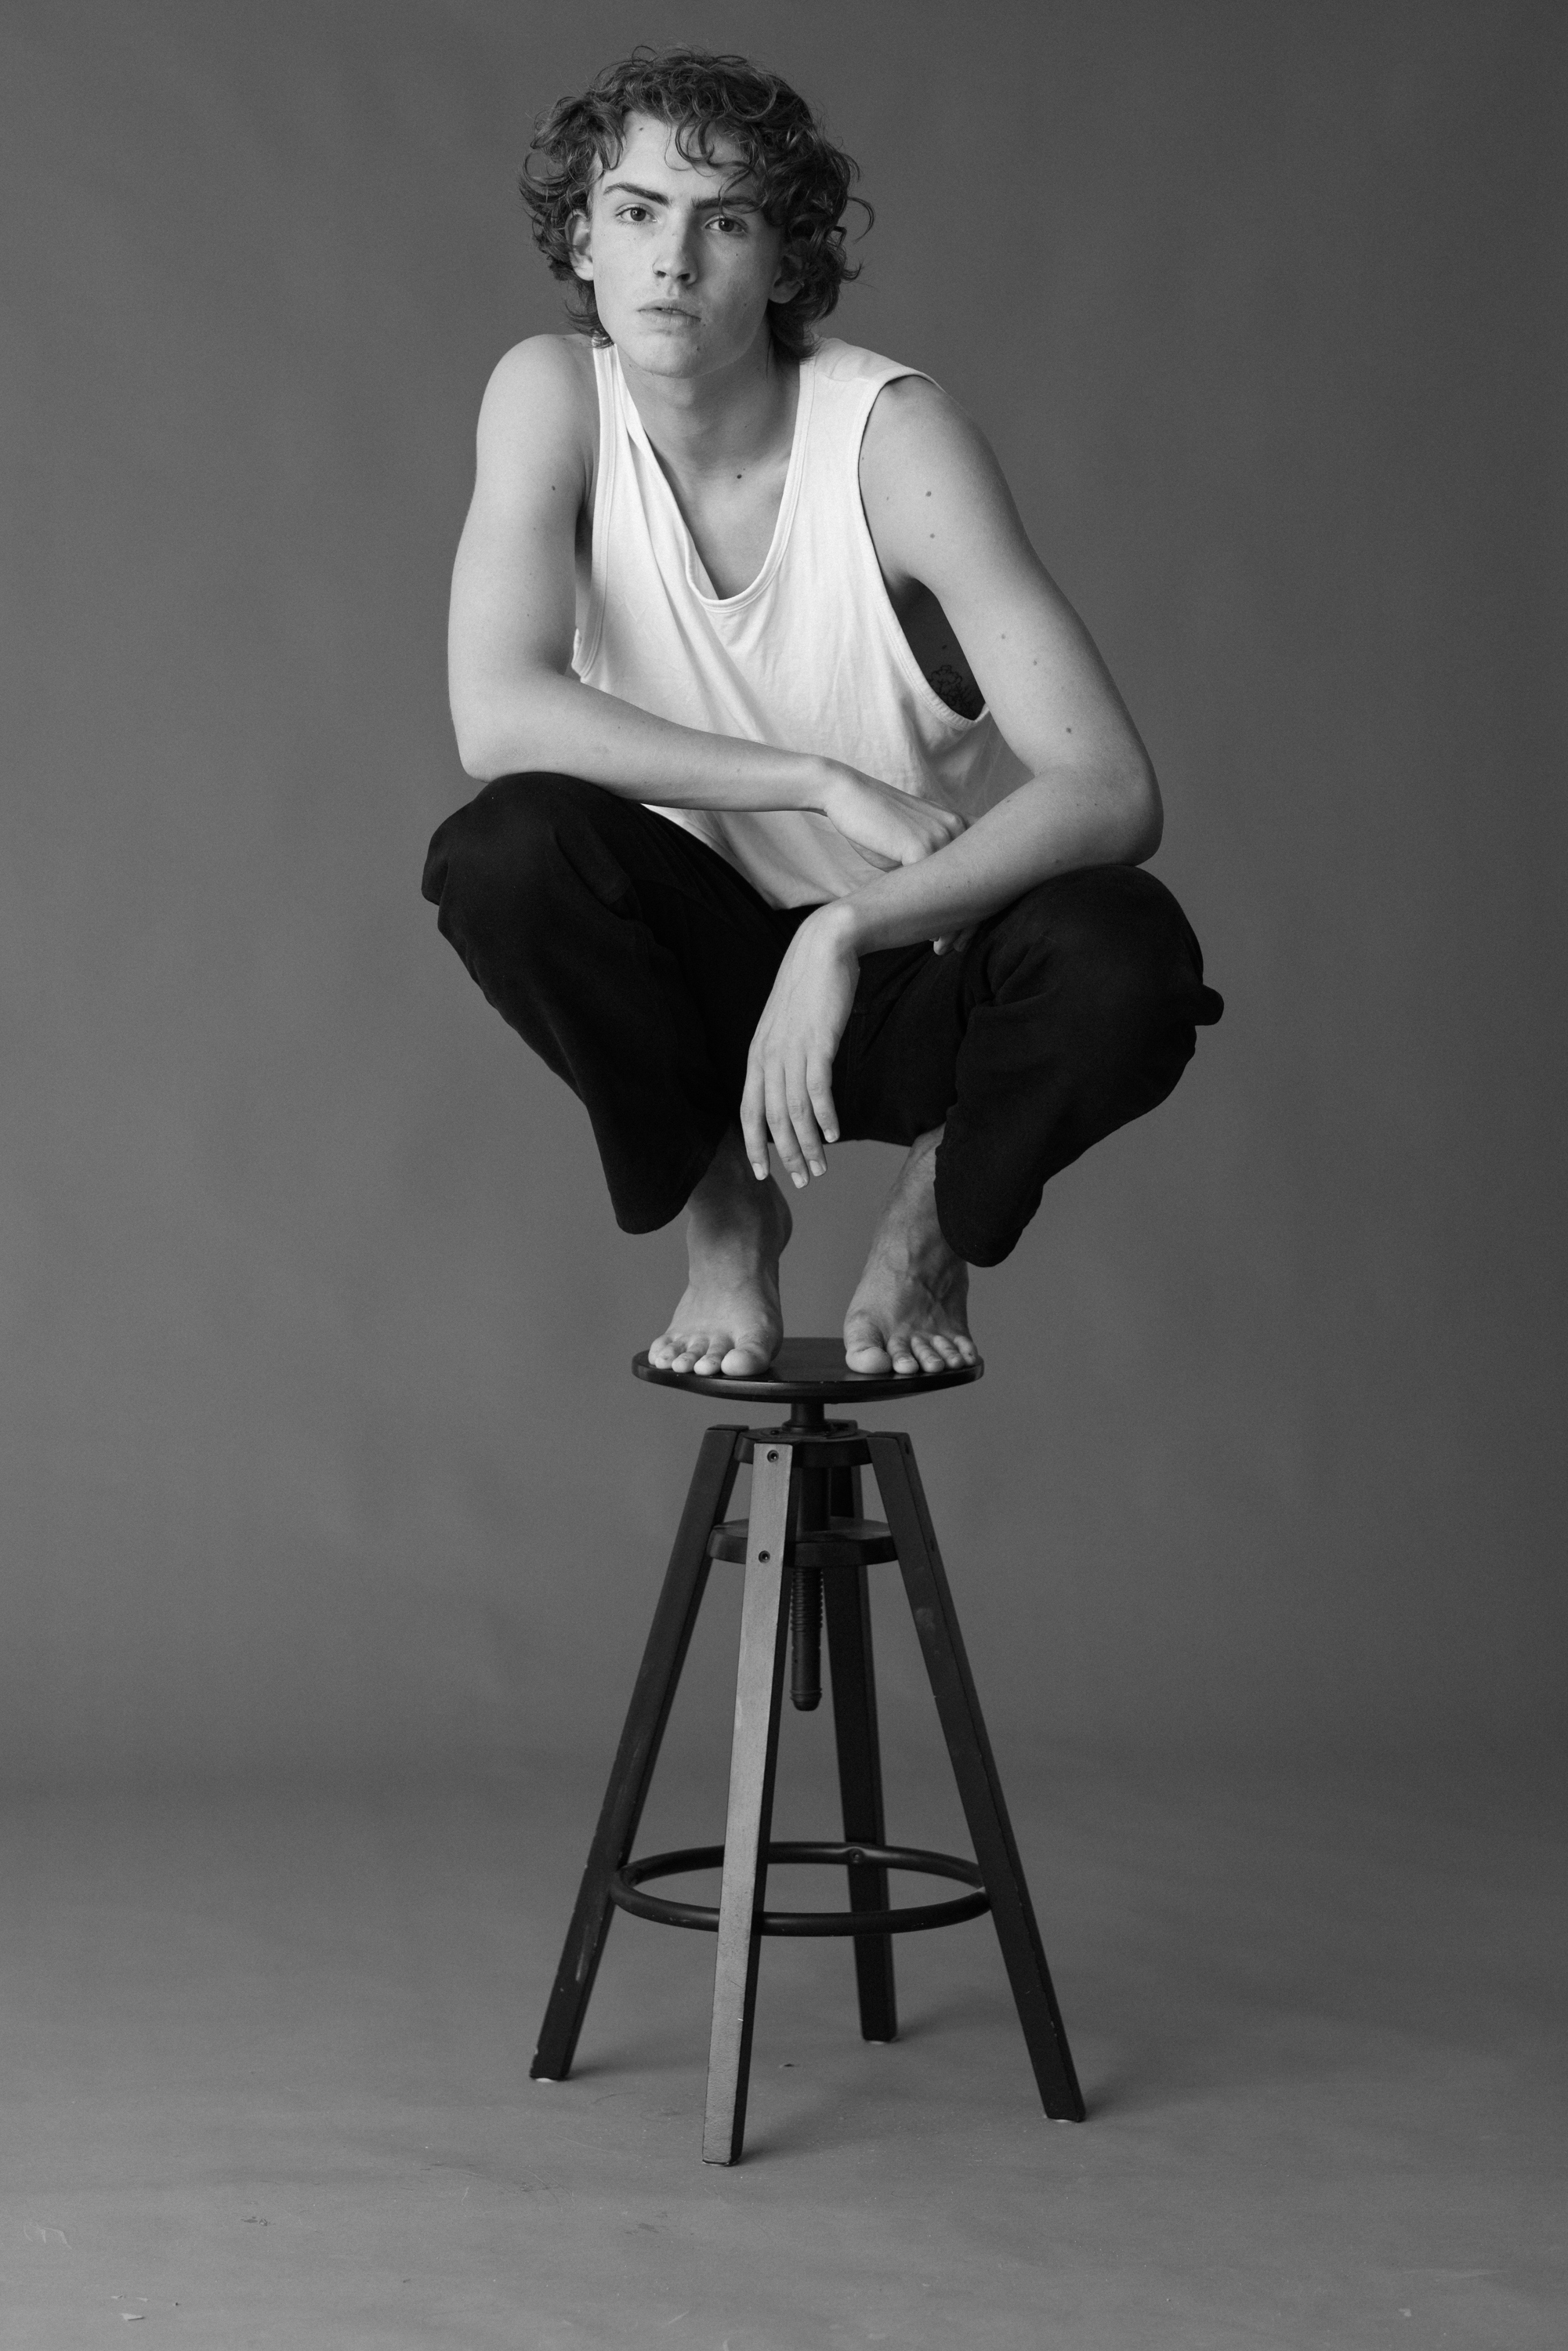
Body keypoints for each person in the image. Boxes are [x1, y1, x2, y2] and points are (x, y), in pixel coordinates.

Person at [422, 45, 1222, 1380]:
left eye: (723, 220)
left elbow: (1109, 789)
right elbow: (496, 719)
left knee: (1126, 951)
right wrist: (815, 778)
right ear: (584, 236)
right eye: (635, 213)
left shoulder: (894, 439)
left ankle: (929, 1225)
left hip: (903, 980)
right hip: (690, 992)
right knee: (502, 852)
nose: (672, 260)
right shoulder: (551, 395)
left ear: (787, 263)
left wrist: (846, 927)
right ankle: (724, 1216)